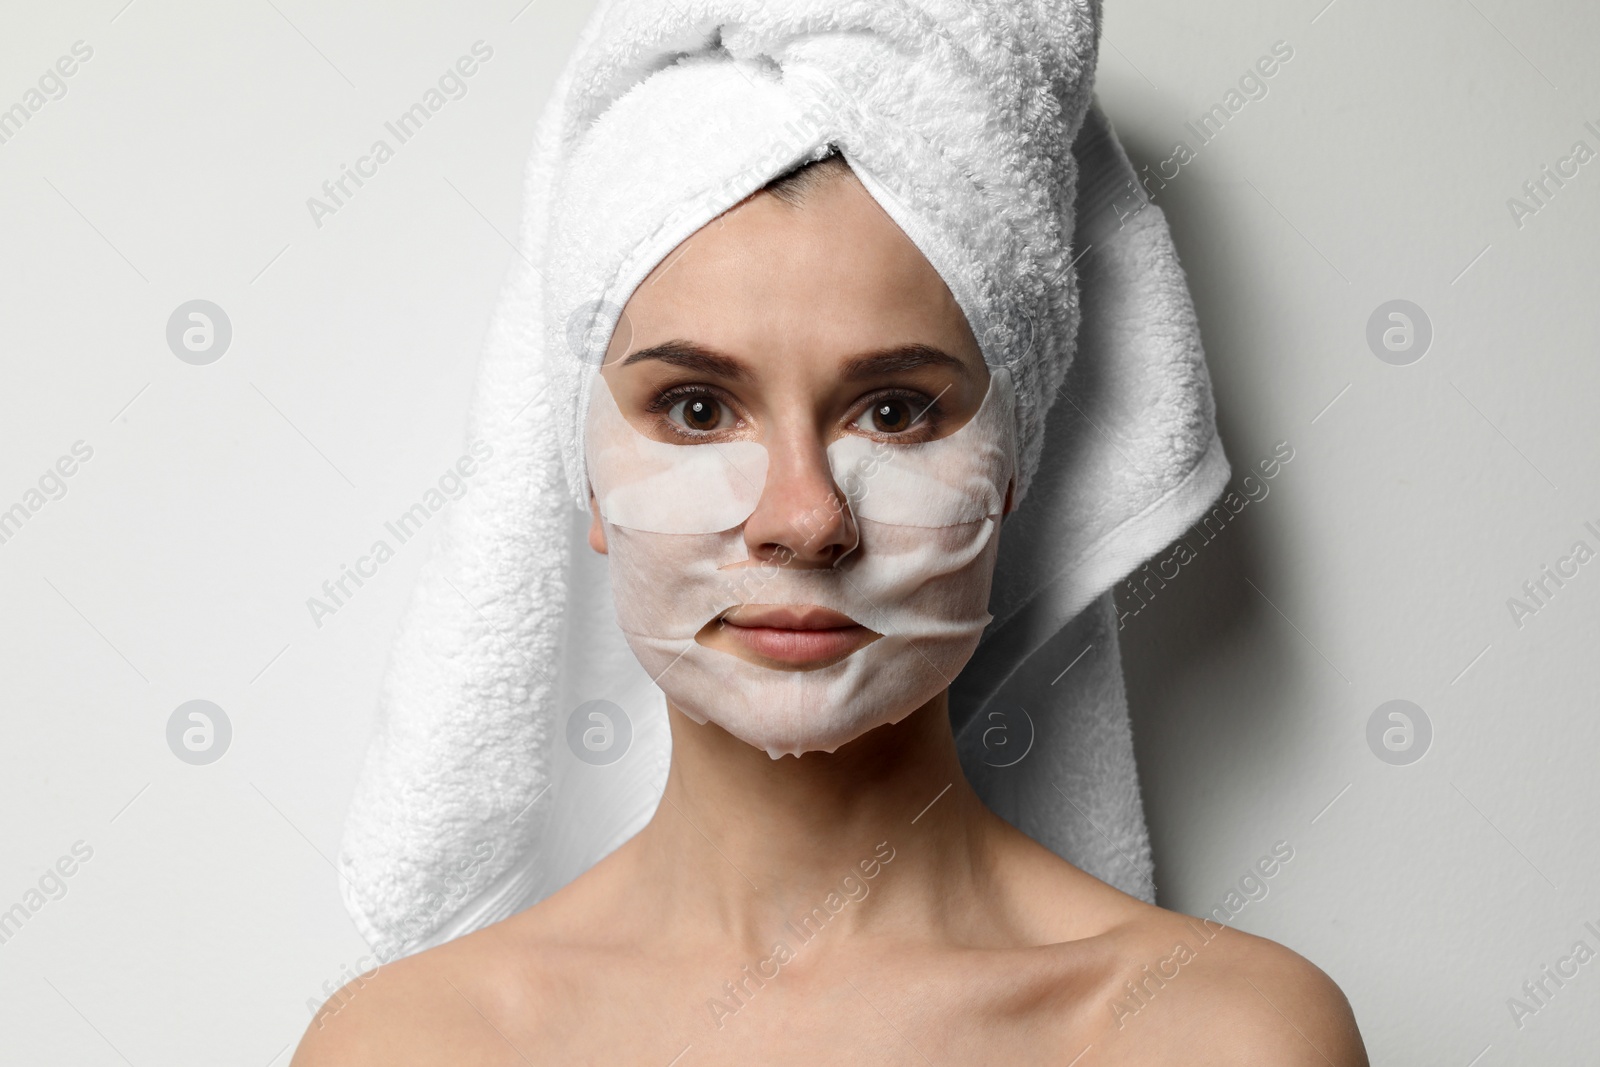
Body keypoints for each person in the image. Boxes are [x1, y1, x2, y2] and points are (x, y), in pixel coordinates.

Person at [291, 150, 1367, 1066]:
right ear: (588, 484)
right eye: (698, 408)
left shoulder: (1215, 1035)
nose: (803, 518)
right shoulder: (413, 1044)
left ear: (1010, 474)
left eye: (894, 412)